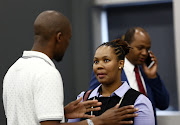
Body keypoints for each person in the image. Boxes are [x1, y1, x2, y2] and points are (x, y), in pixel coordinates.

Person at [3, 10, 139, 125]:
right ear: (59, 37)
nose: (68, 45)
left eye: (106, 60)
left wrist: (61, 113)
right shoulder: (47, 73)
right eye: (69, 38)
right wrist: (98, 121)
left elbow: (27, 117)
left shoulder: (14, 69)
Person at [89, 27, 170, 125]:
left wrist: (153, 77)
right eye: (140, 48)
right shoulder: (109, 70)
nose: (144, 53)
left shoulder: (145, 72)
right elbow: (94, 104)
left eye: (147, 49)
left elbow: (164, 104)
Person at [68, 39, 155, 125]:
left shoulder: (139, 102)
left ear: (121, 64)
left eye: (106, 60)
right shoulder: (83, 98)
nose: (99, 66)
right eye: (96, 61)